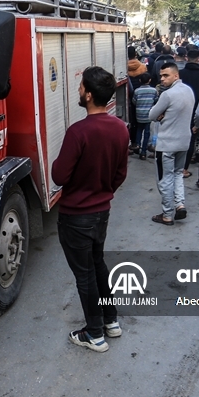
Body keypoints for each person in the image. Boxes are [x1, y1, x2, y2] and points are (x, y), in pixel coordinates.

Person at [52, 67, 130, 353]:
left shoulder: (79, 132)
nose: (78, 90)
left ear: (88, 94)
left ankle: (94, 334)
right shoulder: (120, 128)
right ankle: (111, 321)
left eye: (81, 86)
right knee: (98, 265)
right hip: (101, 214)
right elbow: (120, 174)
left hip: (75, 217)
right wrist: (103, 191)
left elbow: (59, 176)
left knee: (85, 274)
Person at [148, 62, 195, 225]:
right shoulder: (189, 91)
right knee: (177, 174)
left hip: (167, 144)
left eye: (166, 75)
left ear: (176, 75)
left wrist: (162, 114)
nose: (162, 79)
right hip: (184, 141)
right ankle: (180, 204)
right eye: (161, 75)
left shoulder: (167, 95)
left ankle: (167, 214)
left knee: (165, 178)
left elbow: (151, 115)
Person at [179, 48, 199, 177]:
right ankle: (184, 168)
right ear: (198, 59)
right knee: (192, 137)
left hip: (180, 109)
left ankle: (178, 165)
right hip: (196, 109)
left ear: (187, 58)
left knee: (179, 136)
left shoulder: (180, 73)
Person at [132, 72, 157, 160]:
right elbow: (156, 100)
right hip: (148, 115)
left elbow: (134, 101)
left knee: (139, 130)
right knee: (147, 133)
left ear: (139, 80)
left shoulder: (137, 91)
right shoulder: (154, 91)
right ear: (150, 80)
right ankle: (143, 152)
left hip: (139, 115)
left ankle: (137, 144)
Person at [126, 46, 147, 150]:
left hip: (129, 98)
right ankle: (138, 143)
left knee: (131, 119)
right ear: (135, 54)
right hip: (141, 98)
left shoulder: (124, 67)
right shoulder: (142, 67)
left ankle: (133, 140)